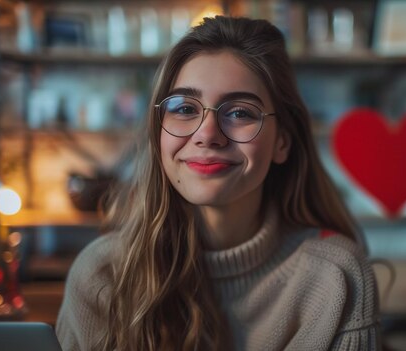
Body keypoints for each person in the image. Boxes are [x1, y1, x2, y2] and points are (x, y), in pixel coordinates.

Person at [56, 16, 381, 351]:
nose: (207, 134)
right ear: (158, 133)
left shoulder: (336, 279)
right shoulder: (101, 275)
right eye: (184, 108)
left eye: (240, 113)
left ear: (282, 142)